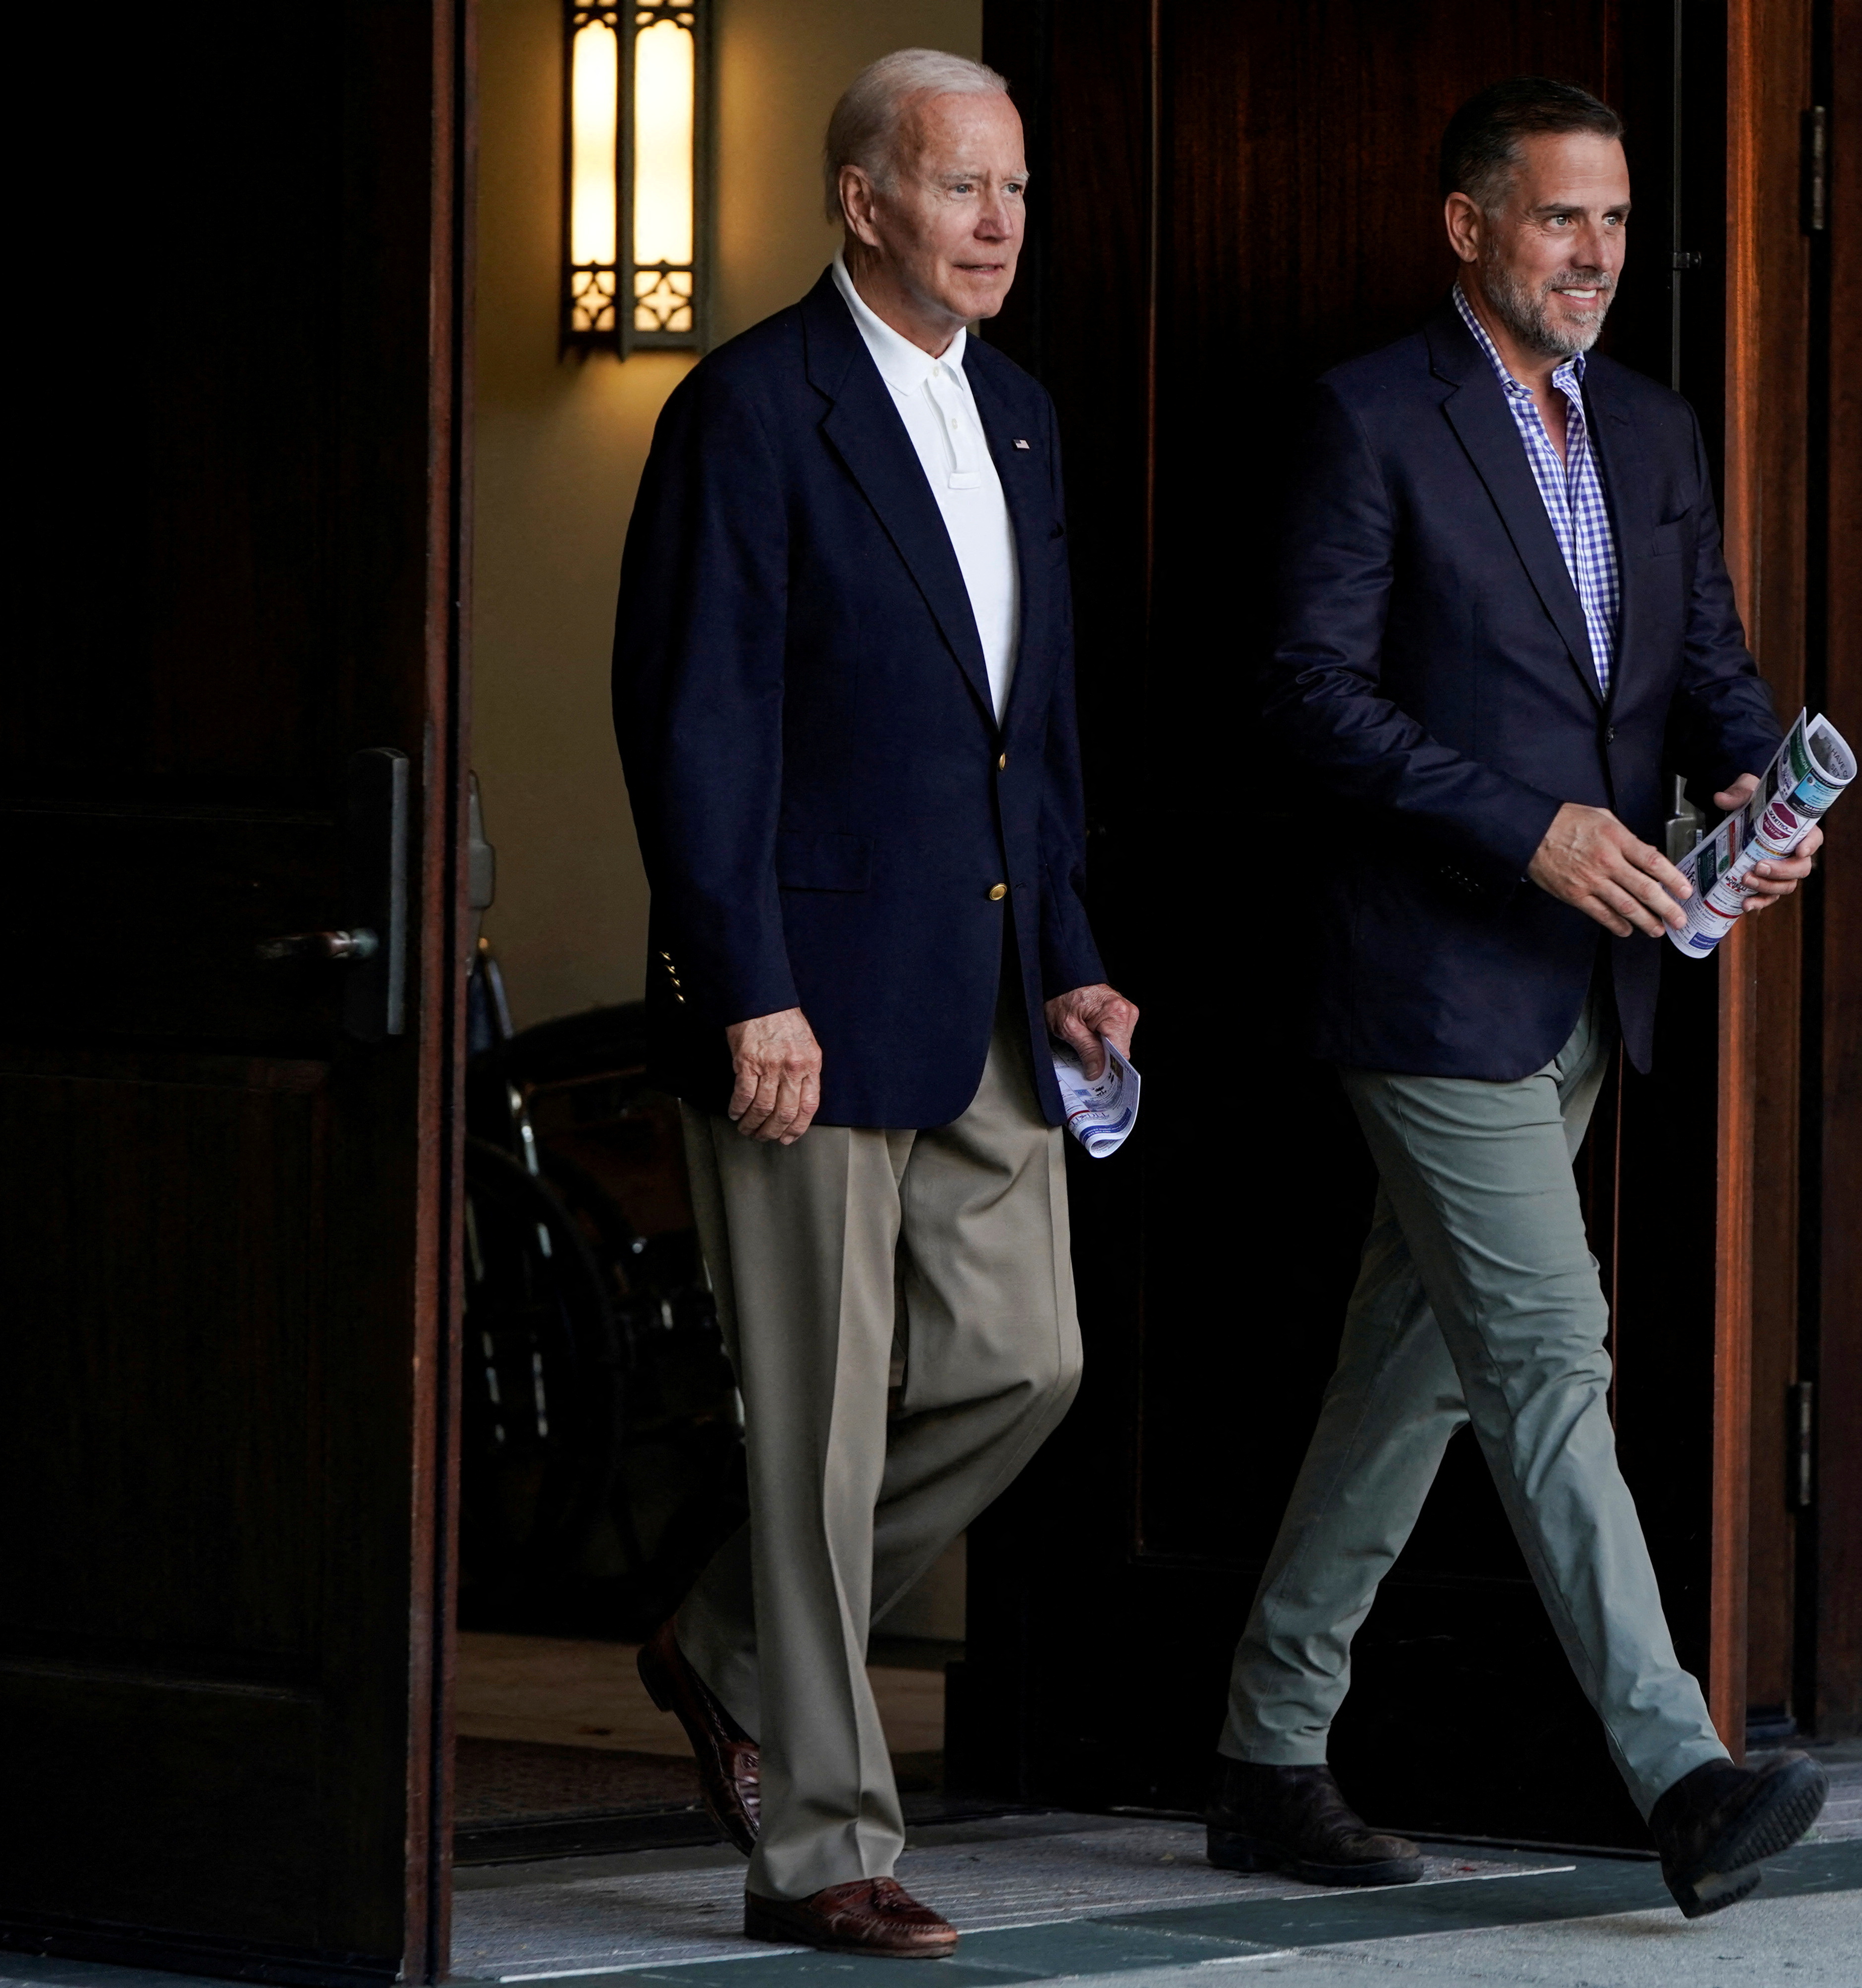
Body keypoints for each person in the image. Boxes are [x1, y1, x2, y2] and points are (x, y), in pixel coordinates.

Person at [1207, 76, 1826, 1921]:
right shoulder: (1369, 418)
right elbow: (1307, 697)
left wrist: (1754, 798)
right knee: (1553, 1356)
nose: (1598, 254)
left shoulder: (1647, 429)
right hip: (1427, 978)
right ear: (1469, 227)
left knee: (1409, 1377)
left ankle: (1265, 1747)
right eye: (1563, 219)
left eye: (1618, 221)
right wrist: (1534, 834)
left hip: (1596, 983)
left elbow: (1708, 673)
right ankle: (1683, 1770)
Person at [609, 47, 1136, 1961]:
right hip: (804, 1011)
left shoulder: (1019, 420)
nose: (1000, 223)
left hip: (988, 984)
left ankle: (731, 1640)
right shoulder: (746, 412)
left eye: (1014, 189)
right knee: (819, 1434)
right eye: (959, 187)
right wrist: (746, 983)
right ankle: (823, 1842)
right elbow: (695, 730)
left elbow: (1037, 727)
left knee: (1030, 1362)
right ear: (861, 201)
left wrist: (1070, 944)